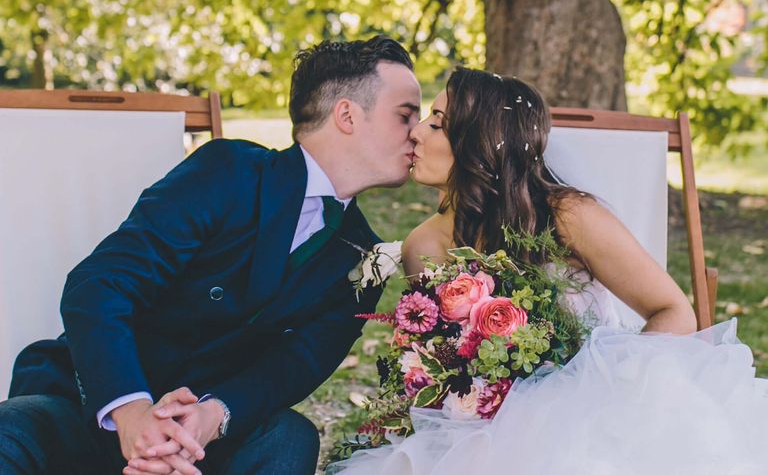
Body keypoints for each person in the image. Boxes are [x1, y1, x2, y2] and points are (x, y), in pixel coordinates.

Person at [0, 35, 422, 475]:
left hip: (202, 441)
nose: (416, 132)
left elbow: (296, 365)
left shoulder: (366, 257)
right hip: (94, 408)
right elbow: (98, 286)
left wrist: (210, 418)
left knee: (289, 438)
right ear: (348, 115)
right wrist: (133, 416)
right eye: (405, 115)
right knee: (8, 431)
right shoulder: (230, 171)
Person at [331, 67, 768, 474]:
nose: (416, 133)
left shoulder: (567, 216)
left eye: (438, 122)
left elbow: (674, 310)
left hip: (601, 406)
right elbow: (437, 358)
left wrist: (594, 397)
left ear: (481, 142)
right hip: (480, 429)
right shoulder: (423, 246)